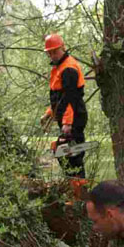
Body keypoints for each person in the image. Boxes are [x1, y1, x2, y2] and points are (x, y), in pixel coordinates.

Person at [40, 33, 88, 177]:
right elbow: (59, 98)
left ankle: (79, 188)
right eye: (50, 53)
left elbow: (70, 99)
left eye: (55, 52)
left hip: (74, 117)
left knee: (72, 156)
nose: (52, 55)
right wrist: (49, 114)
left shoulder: (68, 69)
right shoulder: (59, 67)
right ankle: (72, 184)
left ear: (63, 48)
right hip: (68, 117)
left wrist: (68, 123)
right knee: (63, 152)